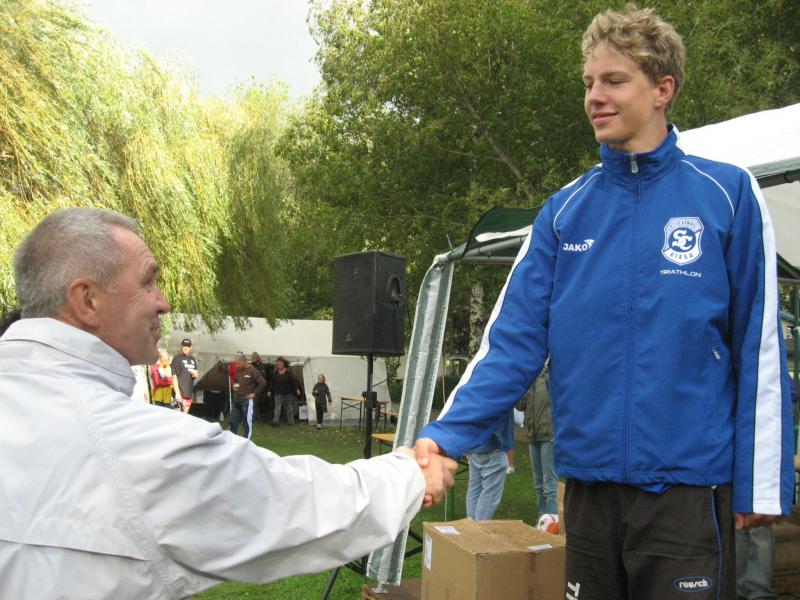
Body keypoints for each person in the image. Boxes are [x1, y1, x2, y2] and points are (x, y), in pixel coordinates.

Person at [415, 6, 793, 599]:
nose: (595, 96)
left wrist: (760, 483)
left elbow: (760, 347)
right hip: (589, 490)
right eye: (589, 82)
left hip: (687, 490)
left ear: (663, 89)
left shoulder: (727, 194)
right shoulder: (565, 212)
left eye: (614, 80)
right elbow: (511, 343)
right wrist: (446, 436)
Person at [0, 207, 457, 598]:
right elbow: (297, 505)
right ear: (87, 300)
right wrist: (412, 473)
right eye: (148, 282)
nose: (163, 302)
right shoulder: (130, 445)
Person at [518, 363, 558, 524]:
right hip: (532, 435)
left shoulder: (550, 376)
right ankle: (542, 520)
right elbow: (520, 406)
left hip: (548, 435)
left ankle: (553, 523)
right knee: (538, 484)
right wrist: (520, 385)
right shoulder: (529, 378)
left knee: (549, 484)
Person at [465, 409, 515, 520]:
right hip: (493, 449)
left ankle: (471, 526)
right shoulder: (504, 399)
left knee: (474, 489)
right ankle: (478, 529)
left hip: (474, 447)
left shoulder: (476, 398)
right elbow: (508, 428)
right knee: (490, 495)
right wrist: (509, 454)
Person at [230, 351, 266, 439]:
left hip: (246, 400)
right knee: (233, 420)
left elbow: (263, 382)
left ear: (243, 361)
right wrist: (235, 386)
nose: (237, 366)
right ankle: (232, 439)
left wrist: (254, 393)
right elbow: (236, 381)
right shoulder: (238, 370)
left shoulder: (253, 370)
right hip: (237, 399)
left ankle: (246, 440)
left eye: (238, 364)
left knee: (246, 422)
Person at [269, 356, 301, 426]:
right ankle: (276, 421)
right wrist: (269, 390)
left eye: (279, 362)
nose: (278, 364)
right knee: (277, 407)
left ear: (283, 364)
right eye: (277, 363)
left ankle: (291, 422)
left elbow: (293, 381)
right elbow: (272, 382)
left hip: (288, 393)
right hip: (278, 392)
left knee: (289, 408)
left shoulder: (288, 371)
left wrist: (297, 389)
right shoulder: (275, 372)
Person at [171, 337, 198, 413]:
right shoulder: (177, 359)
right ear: (181, 346)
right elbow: (174, 376)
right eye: (184, 346)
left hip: (188, 394)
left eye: (188, 346)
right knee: (177, 417)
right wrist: (177, 393)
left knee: (185, 416)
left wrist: (195, 375)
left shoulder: (192, 359)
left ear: (190, 347)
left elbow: (194, 374)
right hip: (179, 394)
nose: (186, 348)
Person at [251, 351, 270, 422]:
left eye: (253, 357)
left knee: (255, 403)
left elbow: (263, 377)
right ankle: (258, 419)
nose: (252, 359)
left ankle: (254, 419)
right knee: (255, 404)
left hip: (259, 387)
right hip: (253, 387)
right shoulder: (252, 365)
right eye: (252, 357)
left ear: (257, 358)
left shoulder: (261, 366)